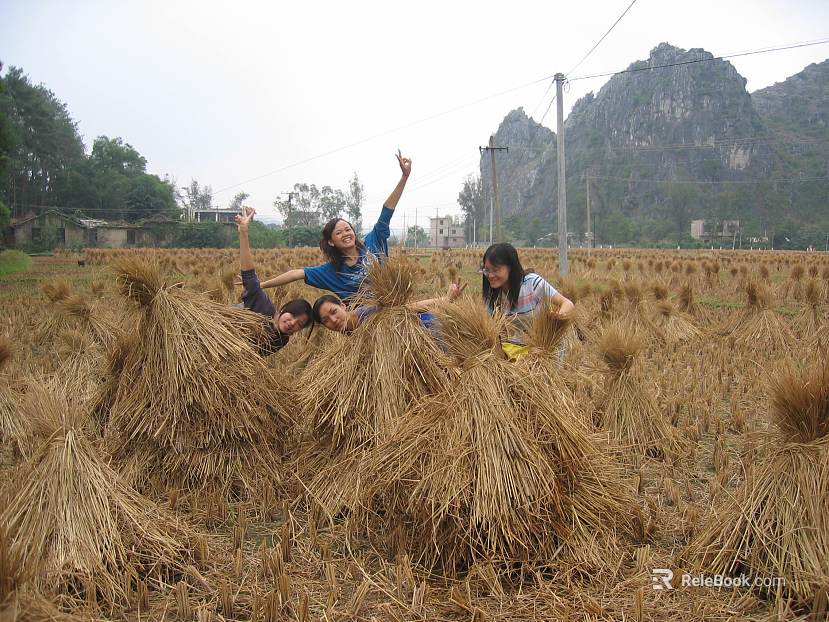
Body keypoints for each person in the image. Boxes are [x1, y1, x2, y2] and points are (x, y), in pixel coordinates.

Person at [257, 151, 411, 301]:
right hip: (361, 315)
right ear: (331, 241)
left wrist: (404, 177)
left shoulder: (373, 242)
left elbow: (387, 209)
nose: (346, 234)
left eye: (348, 229)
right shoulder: (331, 271)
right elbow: (296, 274)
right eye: (339, 233)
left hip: (392, 307)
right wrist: (261, 285)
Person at [236, 206, 312, 355]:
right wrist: (243, 233)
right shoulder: (264, 308)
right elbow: (250, 277)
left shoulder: (281, 340)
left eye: (299, 324)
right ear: (283, 310)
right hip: (216, 330)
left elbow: (253, 358)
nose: (292, 323)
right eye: (293, 315)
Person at [480, 242, 574, 359]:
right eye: (486, 270)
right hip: (516, 350)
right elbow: (495, 330)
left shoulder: (532, 283)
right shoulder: (492, 295)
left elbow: (567, 304)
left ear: (510, 268)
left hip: (545, 349)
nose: (490, 275)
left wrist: (556, 318)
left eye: (495, 270)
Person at [312, 280, 466, 333]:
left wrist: (445, 300)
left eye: (334, 311)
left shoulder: (366, 314)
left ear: (343, 306)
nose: (333, 320)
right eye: (326, 320)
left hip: (425, 327)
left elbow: (408, 308)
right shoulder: (348, 330)